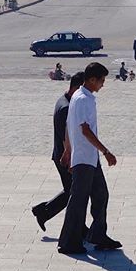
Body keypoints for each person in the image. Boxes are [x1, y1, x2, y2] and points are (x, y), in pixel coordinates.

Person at [58, 62, 121, 255]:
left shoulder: (78, 96)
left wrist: (68, 151)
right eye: (101, 81)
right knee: (78, 201)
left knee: (101, 195)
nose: (103, 84)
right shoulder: (84, 99)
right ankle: (69, 242)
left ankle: (98, 235)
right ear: (92, 80)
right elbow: (84, 129)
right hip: (85, 158)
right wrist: (105, 151)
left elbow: (70, 126)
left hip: (87, 158)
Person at [32, 75, 88, 233]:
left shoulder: (63, 101)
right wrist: (70, 159)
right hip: (64, 157)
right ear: (76, 88)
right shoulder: (66, 107)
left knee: (72, 191)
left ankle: (43, 211)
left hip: (62, 155)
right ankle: (44, 212)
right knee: (75, 192)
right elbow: (66, 137)